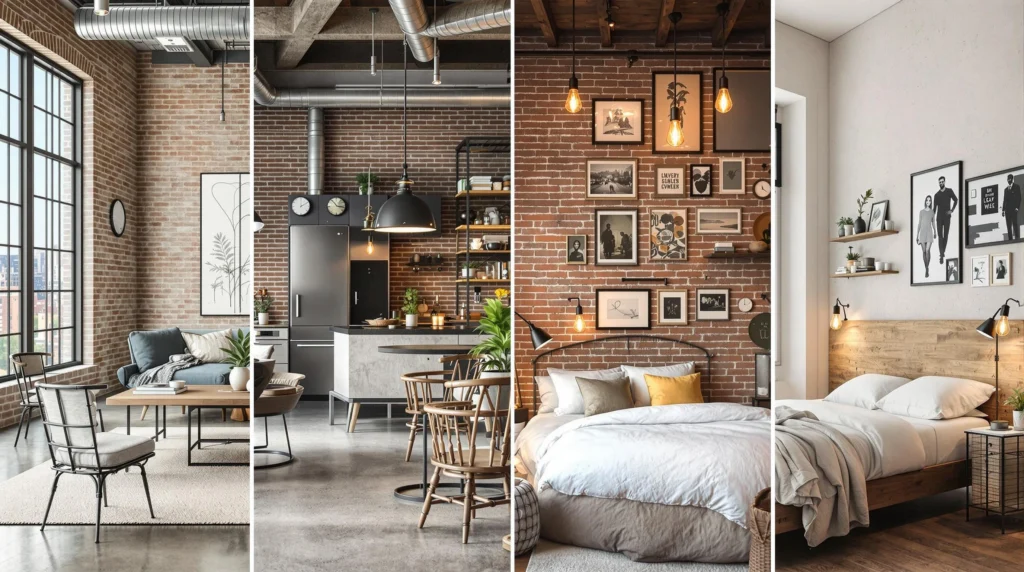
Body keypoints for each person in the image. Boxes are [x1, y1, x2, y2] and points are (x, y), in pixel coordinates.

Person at [932, 175, 958, 264]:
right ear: (938, 183)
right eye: (940, 182)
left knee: (946, 236)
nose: (941, 183)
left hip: (947, 217)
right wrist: (931, 218)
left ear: (945, 182)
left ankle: (942, 253)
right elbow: (934, 209)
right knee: (940, 236)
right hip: (939, 218)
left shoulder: (949, 191)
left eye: (942, 181)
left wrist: (952, 210)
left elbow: (956, 200)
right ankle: (941, 255)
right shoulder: (936, 195)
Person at [917, 195, 936, 278]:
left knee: (928, 250)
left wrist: (935, 232)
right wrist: (917, 235)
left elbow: (933, 223)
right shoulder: (921, 212)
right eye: (927, 200)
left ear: (931, 202)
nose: (928, 202)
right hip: (922, 233)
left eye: (930, 200)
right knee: (924, 251)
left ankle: (927, 268)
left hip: (929, 232)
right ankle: (926, 268)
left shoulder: (932, 212)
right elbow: (919, 224)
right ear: (925, 201)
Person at [1002, 173, 1021, 242]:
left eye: (1010, 179)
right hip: (1007, 210)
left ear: (1012, 179)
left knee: (1015, 224)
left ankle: (1017, 239)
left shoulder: (1016, 187)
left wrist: (1017, 207)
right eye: (1008, 179)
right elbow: (1004, 200)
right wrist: (1003, 210)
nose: (1008, 180)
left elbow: (1019, 198)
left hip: (1014, 209)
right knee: (1008, 226)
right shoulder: (1006, 189)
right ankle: (1010, 240)